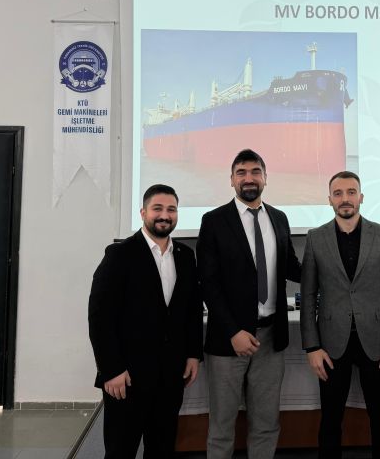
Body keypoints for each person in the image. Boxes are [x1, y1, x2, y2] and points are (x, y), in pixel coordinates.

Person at [196, 149, 301, 459]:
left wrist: (331, 271)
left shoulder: (279, 218)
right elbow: (209, 283)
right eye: (241, 172)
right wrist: (233, 332)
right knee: (222, 425)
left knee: (267, 422)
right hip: (228, 340)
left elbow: (291, 267)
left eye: (255, 172)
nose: (249, 178)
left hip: (271, 338)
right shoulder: (213, 221)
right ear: (231, 180)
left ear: (265, 178)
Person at [88, 184, 203, 459]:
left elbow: (191, 310)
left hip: (171, 376)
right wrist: (111, 369)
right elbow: (100, 316)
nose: (165, 215)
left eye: (171, 209)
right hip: (127, 377)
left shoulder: (186, 256)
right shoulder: (120, 255)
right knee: (120, 450)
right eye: (157, 209)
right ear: (143, 213)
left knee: (162, 448)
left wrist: (193, 354)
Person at [301, 171, 380, 459]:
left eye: (351, 192)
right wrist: (312, 347)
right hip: (330, 344)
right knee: (330, 420)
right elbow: (308, 295)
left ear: (361, 197)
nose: (345, 198)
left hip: (378, 342)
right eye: (338, 193)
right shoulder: (315, 238)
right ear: (329, 200)